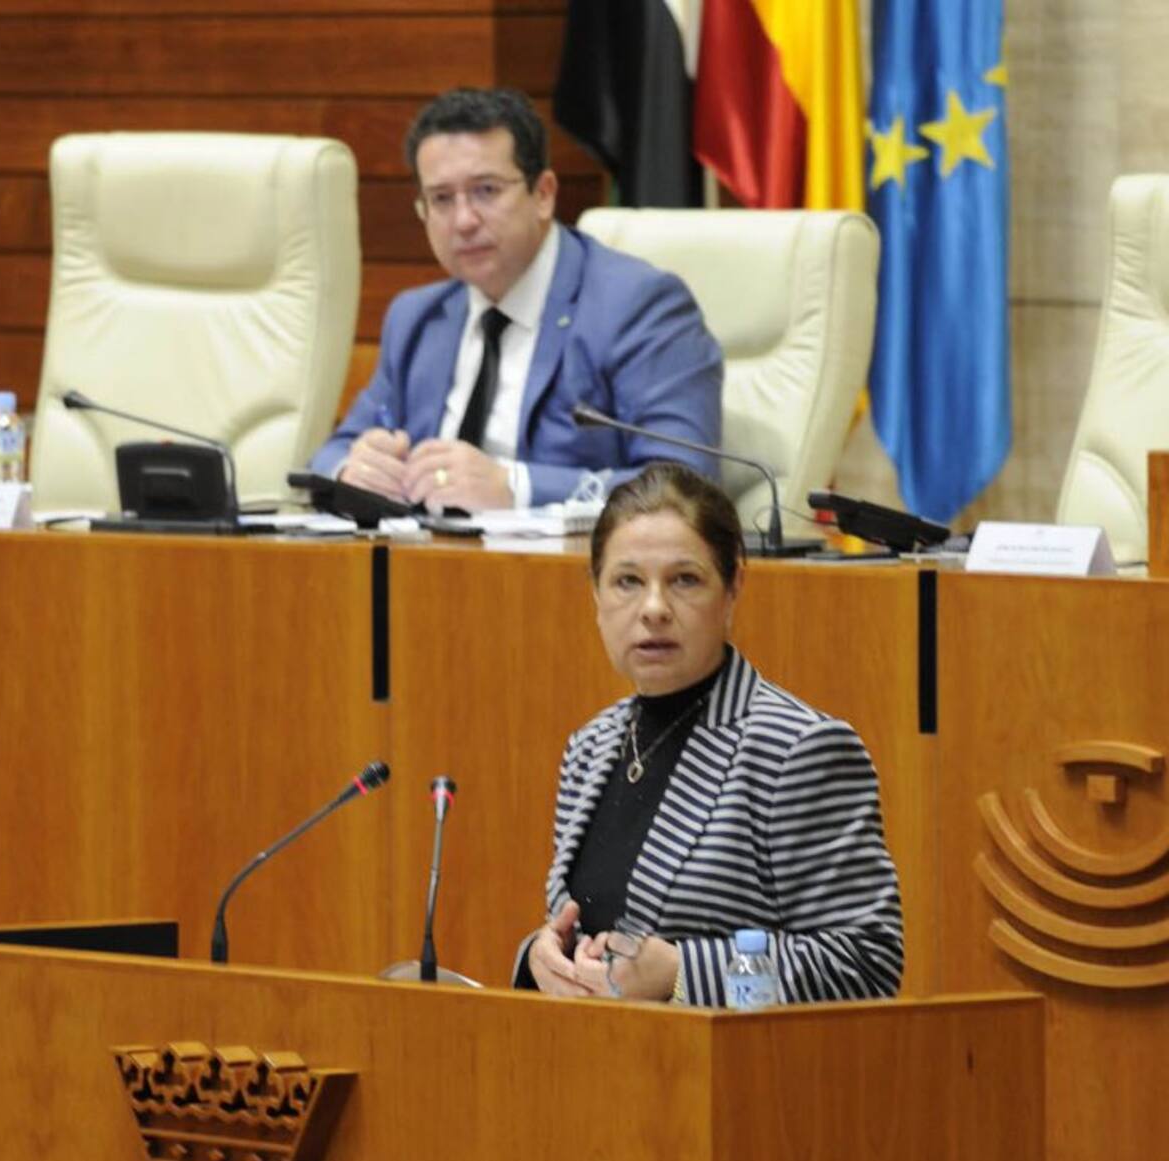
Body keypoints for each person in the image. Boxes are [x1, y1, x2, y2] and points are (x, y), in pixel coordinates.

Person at [515, 463, 903, 1005]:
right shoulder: (591, 746)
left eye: (684, 580)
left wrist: (680, 973)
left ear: (732, 589)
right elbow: (590, 936)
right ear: (595, 596)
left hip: (737, 1081)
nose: (654, 609)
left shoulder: (797, 748)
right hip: (600, 1068)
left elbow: (866, 961)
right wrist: (541, 957)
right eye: (628, 581)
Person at [308, 87, 723, 511]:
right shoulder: (418, 317)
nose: (464, 220)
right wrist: (353, 469)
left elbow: (686, 483)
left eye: (486, 190)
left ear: (543, 194)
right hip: (425, 566)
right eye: (442, 199)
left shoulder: (637, 305)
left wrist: (516, 487)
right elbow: (328, 454)